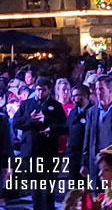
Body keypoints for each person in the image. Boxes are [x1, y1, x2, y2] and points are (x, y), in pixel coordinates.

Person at [13, 77, 67, 210]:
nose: (39, 93)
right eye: (37, 90)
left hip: (50, 150)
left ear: (49, 91)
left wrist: (47, 120)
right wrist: (29, 119)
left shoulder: (56, 106)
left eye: (43, 90)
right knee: (36, 186)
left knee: (49, 187)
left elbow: (64, 126)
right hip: (32, 151)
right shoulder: (26, 104)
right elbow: (16, 122)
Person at [65, 85, 93, 181]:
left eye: (76, 95)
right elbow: (66, 128)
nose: (73, 98)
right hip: (72, 156)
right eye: (72, 96)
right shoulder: (73, 111)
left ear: (85, 96)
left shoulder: (92, 112)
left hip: (86, 156)